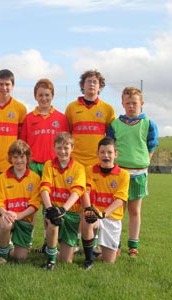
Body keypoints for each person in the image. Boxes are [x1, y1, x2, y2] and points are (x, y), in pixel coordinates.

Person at [106, 87, 159, 257]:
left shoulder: (148, 124)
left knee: (135, 211)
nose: (131, 106)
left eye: (134, 103)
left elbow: (151, 145)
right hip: (119, 173)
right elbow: (110, 146)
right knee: (117, 211)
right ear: (122, 104)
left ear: (141, 104)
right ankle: (116, 243)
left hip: (138, 174)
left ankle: (133, 245)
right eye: (127, 103)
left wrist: (145, 161)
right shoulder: (115, 124)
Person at [19, 78, 70, 254]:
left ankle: (49, 243)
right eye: (40, 95)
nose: (44, 98)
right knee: (31, 205)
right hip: (33, 166)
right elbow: (23, 144)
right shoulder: (29, 118)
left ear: (52, 96)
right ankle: (27, 241)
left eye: (47, 95)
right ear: (35, 96)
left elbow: (66, 144)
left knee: (50, 207)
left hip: (52, 168)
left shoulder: (61, 118)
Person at [81, 137, 130, 269]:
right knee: (87, 219)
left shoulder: (124, 175)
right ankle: (88, 259)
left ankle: (95, 251)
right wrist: (89, 209)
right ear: (97, 154)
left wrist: (103, 213)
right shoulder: (89, 170)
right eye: (102, 152)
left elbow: (120, 199)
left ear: (116, 154)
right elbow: (85, 192)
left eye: (109, 152)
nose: (106, 155)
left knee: (108, 261)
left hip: (111, 217)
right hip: (95, 214)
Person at [40, 132, 86, 270]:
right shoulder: (49, 165)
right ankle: (51, 261)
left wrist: (63, 209)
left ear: (72, 148)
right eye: (59, 148)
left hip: (70, 213)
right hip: (53, 208)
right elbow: (44, 188)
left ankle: (51, 250)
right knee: (53, 221)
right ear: (54, 148)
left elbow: (76, 192)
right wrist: (49, 209)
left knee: (66, 261)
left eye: (66, 148)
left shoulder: (79, 167)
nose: (63, 151)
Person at [0, 140, 41, 265]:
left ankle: (10, 249)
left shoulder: (35, 178)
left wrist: (19, 215)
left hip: (24, 219)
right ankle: (2, 255)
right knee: (5, 223)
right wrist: (5, 213)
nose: (19, 160)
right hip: (9, 216)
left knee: (20, 257)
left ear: (27, 157)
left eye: (22, 157)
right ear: (10, 158)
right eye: (15, 157)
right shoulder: (2, 178)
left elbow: (35, 204)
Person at [65, 70, 115, 167]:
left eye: (95, 82)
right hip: (76, 160)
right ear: (82, 85)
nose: (91, 84)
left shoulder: (108, 109)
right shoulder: (71, 108)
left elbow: (111, 138)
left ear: (100, 86)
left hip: (98, 160)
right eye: (88, 81)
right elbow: (67, 134)